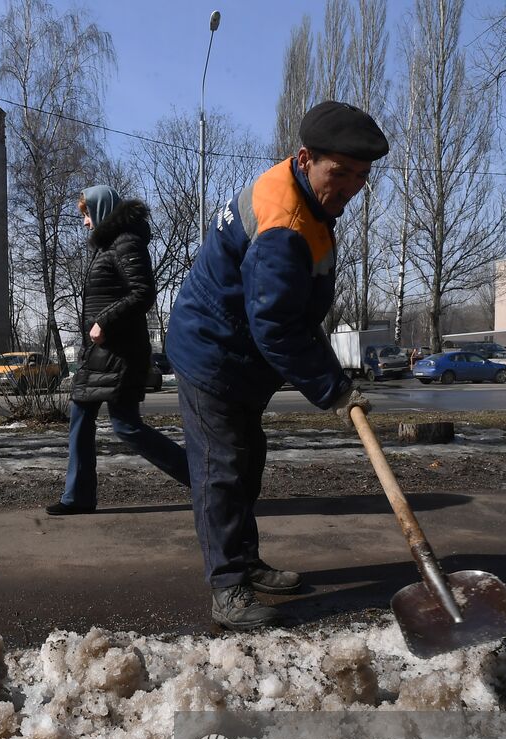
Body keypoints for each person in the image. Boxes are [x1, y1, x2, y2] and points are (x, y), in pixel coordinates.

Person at [165, 101, 390, 630]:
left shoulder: (308, 201)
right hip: (212, 353)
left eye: (362, 176)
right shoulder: (285, 222)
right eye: (341, 173)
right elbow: (276, 327)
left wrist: (331, 373)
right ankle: (227, 589)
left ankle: (244, 563)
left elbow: (292, 308)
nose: (351, 187)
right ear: (306, 158)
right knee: (222, 471)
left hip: (240, 354)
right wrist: (333, 390)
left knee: (246, 465)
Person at [46, 185, 191, 515]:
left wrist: (105, 323)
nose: (84, 221)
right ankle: (77, 497)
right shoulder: (107, 247)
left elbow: (143, 293)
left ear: (102, 210)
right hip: (100, 355)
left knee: (126, 426)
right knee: (80, 420)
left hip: (122, 354)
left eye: (86, 213)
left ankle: (204, 479)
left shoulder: (127, 243)